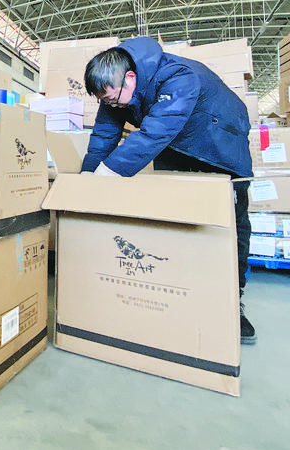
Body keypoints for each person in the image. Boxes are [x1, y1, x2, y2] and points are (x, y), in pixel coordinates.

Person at [80, 36, 257, 345]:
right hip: (176, 142)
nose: (110, 105)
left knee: (228, 220)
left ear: (130, 78)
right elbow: (103, 136)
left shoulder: (178, 76)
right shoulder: (115, 91)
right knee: (172, 212)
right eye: (104, 101)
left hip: (219, 141)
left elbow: (154, 133)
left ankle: (232, 300)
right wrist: (85, 178)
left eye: (111, 99)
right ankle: (178, 288)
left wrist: (107, 174)